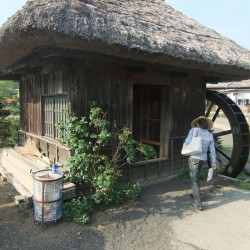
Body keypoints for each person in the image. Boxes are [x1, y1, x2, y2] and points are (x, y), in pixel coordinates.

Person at [184, 116, 217, 211]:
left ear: (198, 124)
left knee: (195, 180)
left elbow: (187, 141)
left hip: (194, 158)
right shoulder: (210, 135)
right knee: (195, 178)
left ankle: (198, 205)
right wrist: (213, 163)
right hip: (203, 159)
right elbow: (212, 151)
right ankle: (195, 194)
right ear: (207, 125)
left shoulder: (194, 130)